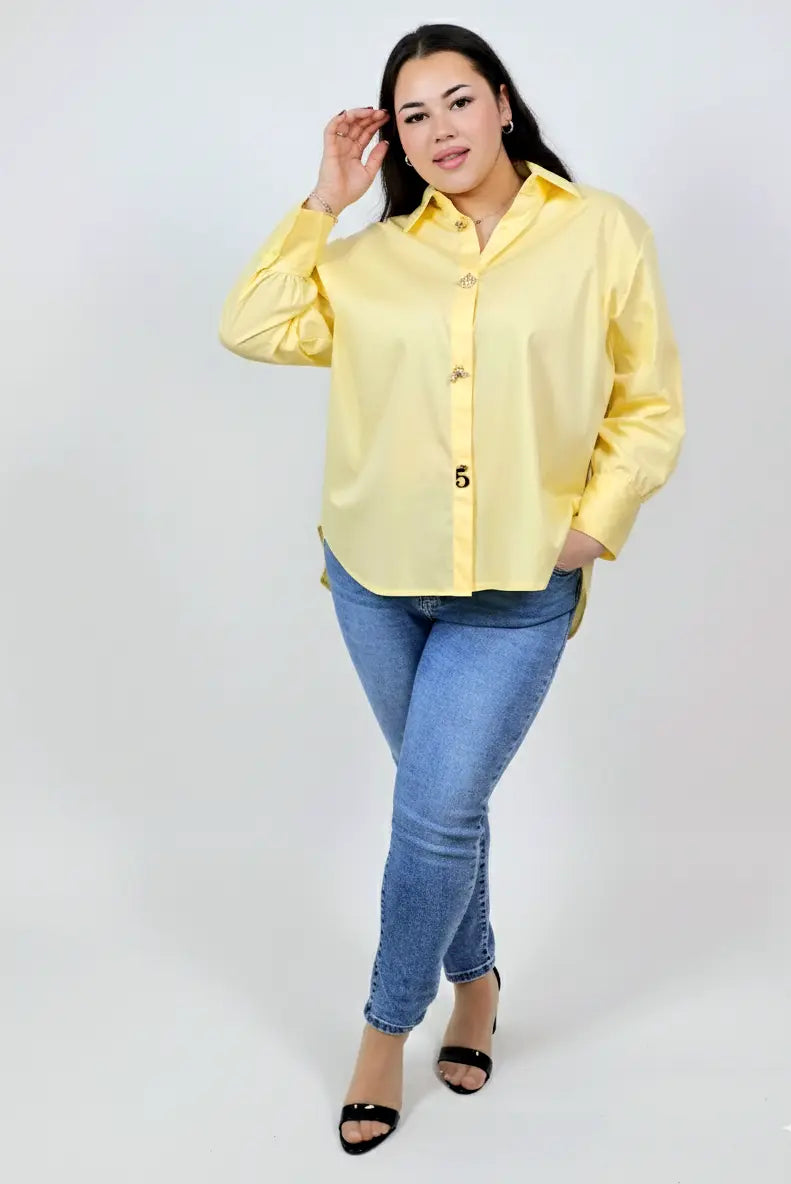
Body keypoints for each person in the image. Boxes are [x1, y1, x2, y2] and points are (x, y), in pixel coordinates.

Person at [218, 22, 685, 1156]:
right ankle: (475, 982)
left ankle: (384, 1032)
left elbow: (648, 401)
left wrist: (594, 523)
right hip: (374, 578)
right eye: (412, 115)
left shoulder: (601, 232)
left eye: (458, 101)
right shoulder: (370, 259)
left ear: (504, 103)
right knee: (443, 809)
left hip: (518, 589)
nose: (439, 131)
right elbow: (251, 325)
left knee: (430, 813)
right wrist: (324, 201)